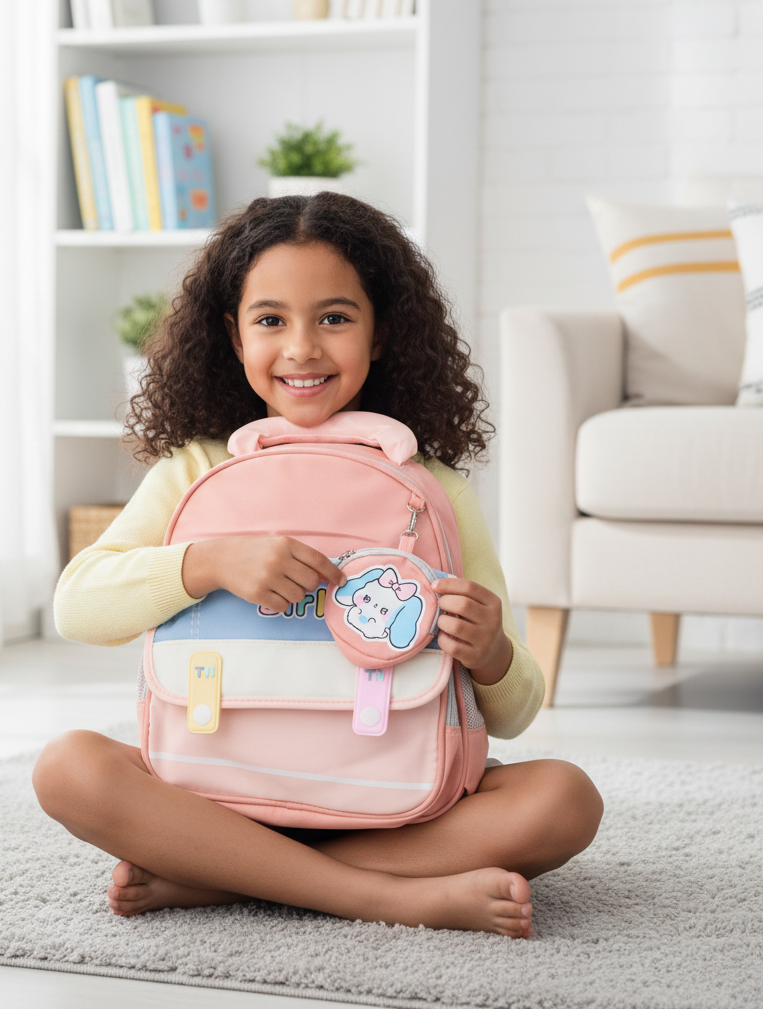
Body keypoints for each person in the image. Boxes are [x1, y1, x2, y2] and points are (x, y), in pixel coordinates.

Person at [32, 193, 603, 938]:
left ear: (382, 333)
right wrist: (205, 564)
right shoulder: (196, 467)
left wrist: (493, 653)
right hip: (220, 787)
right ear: (234, 338)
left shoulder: (431, 483)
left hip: (387, 793)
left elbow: (517, 713)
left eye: (334, 317)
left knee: (566, 799)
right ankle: (386, 895)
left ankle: (223, 875)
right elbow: (76, 607)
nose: (301, 348)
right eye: (270, 320)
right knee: (66, 767)